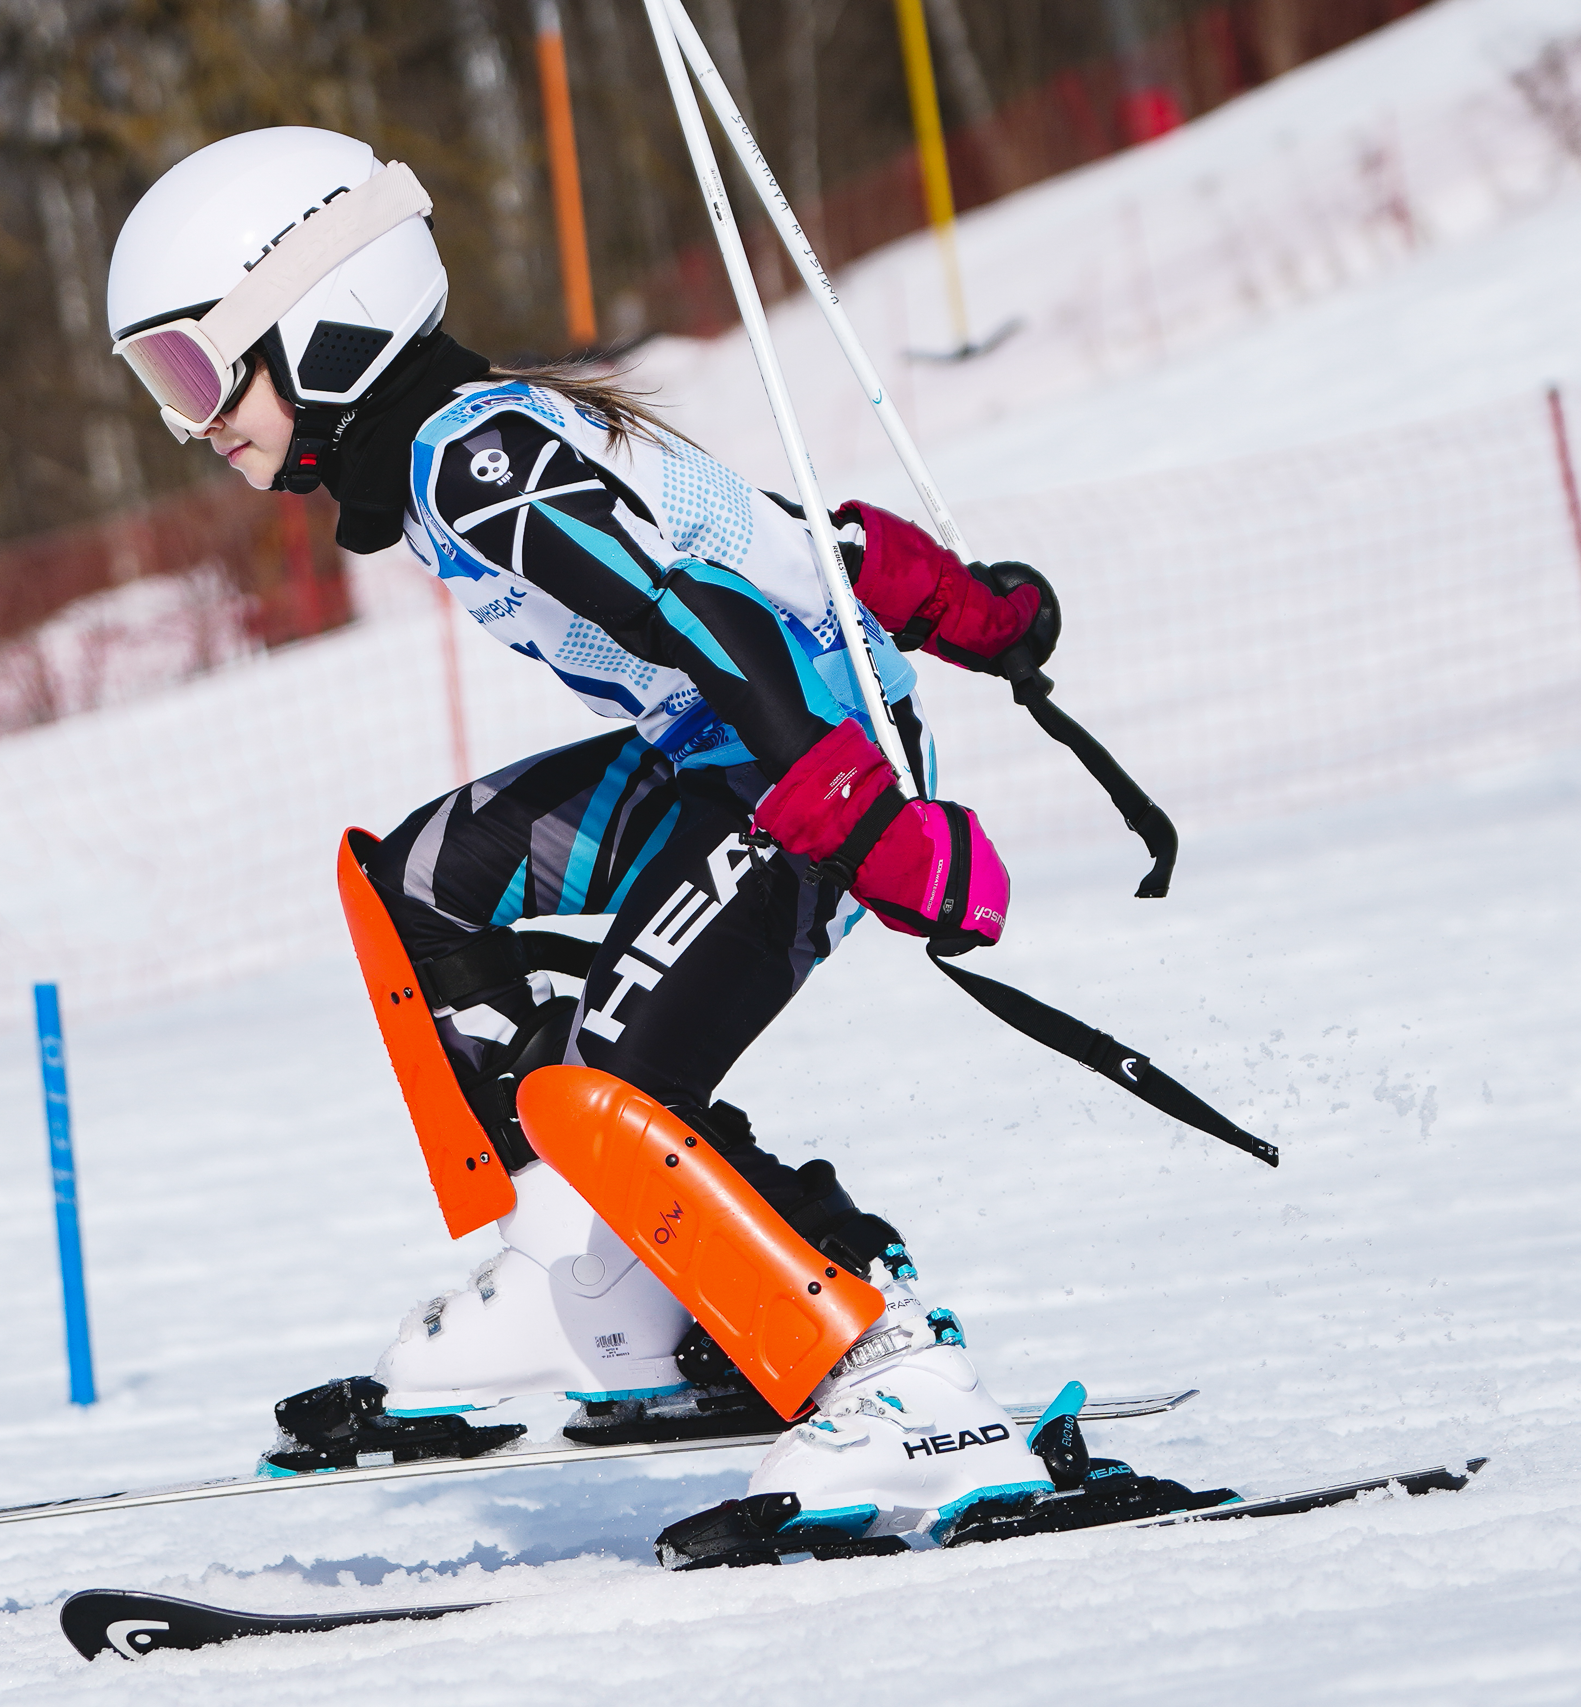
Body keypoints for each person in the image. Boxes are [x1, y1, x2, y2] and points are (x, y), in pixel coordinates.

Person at [106, 128, 1067, 1553]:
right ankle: (594, 1274)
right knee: (418, 888)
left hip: (801, 765)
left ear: (319, 321)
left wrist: (862, 813)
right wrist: (954, 605)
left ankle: (890, 1362)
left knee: (605, 1082)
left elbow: (696, 612)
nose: (193, 424)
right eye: (160, 386)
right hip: (722, 752)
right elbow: (763, 540)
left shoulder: (477, 461)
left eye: (195, 372)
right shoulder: (468, 440)